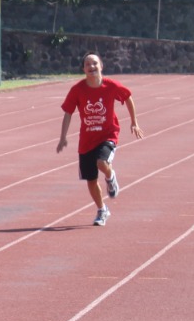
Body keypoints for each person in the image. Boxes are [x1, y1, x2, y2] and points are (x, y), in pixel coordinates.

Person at [56, 53, 143, 227]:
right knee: (91, 180)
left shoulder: (111, 86)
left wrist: (134, 122)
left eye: (95, 63)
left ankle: (110, 177)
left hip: (107, 135)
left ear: (101, 66)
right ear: (83, 69)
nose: (91, 67)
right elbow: (68, 112)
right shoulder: (77, 89)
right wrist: (63, 137)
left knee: (102, 162)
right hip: (87, 140)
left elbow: (127, 97)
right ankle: (102, 210)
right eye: (87, 64)